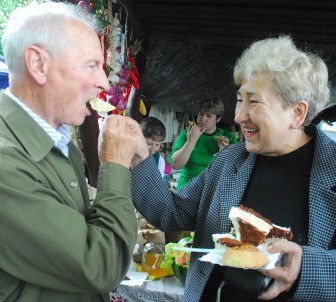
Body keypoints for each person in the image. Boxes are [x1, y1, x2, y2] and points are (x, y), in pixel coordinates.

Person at [127, 35, 336, 301]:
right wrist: (140, 158)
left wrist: (305, 268)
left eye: (254, 101)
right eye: (240, 100)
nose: (238, 116)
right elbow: (170, 213)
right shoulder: (230, 161)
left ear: (297, 113)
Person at [0, 2, 138, 301]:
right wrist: (115, 164)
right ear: (38, 64)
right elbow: (102, 266)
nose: (103, 82)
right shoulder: (5, 161)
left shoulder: (57, 140)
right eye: (91, 65)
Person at [170, 97, 237, 189]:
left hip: (214, 188)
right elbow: (175, 165)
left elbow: (235, 171)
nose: (203, 118)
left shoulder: (228, 138)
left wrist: (225, 153)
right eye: (201, 114)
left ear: (218, 119)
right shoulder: (187, 134)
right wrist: (191, 141)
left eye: (209, 116)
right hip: (188, 187)